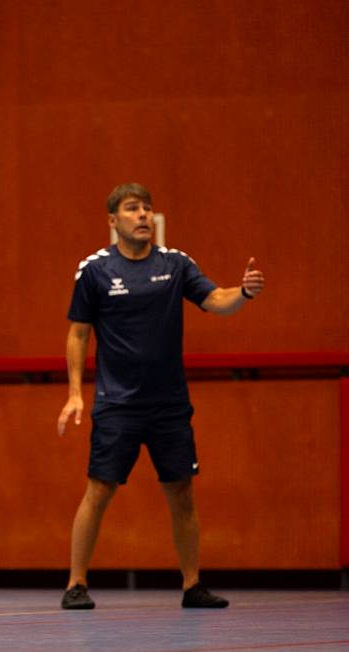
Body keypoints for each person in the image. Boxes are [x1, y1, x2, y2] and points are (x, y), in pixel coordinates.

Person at [56, 183, 265, 610]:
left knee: (182, 491)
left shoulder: (175, 265)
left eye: (147, 208)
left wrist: (242, 293)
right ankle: (76, 584)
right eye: (132, 209)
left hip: (169, 404)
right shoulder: (94, 270)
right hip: (117, 404)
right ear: (113, 220)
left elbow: (217, 299)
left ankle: (192, 586)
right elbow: (78, 333)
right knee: (99, 488)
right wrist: (75, 393)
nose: (143, 215)